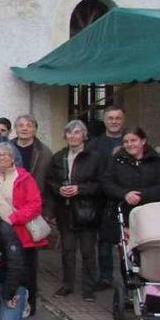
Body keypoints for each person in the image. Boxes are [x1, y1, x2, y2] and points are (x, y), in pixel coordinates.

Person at [0, 142, 48, 315]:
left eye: (6, 154)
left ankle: (28, 303)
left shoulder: (25, 178)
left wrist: (12, 218)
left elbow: (35, 205)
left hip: (21, 231)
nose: (2, 158)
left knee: (25, 269)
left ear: (13, 157)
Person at [47, 120, 103, 301]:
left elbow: (101, 184)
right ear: (65, 136)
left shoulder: (94, 157)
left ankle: (89, 288)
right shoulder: (58, 157)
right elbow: (50, 180)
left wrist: (80, 189)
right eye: (69, 133)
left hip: (87, 210)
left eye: (77, 133)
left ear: (84, 136)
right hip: (65, 210)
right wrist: (58, 189)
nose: (73, 136)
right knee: (67, 250)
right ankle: (67, 284)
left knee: (88, 252)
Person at [102, 127, 160, 224]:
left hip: (151, 214)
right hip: (122, 215)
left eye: (133, 140)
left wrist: (141, 195)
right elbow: (106, 183)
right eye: (126, 142)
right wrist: (125, 194)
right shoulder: (116, 161)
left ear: (143, 141)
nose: (130, 144)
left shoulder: (157, 161)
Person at [89, 106, 126, 289]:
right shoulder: (95, 144)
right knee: (104, 240)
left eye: (118, 118)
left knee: (127, 240)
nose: (114, 121)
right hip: (102, 198)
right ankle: (105, 277)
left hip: (126, 197)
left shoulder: (130, 141)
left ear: (123, 120)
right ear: (104, 121)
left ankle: (129, 275)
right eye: (110, 118)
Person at [12, 114, 52, 207]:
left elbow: (50, 184)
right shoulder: (6, 148)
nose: (24, 129)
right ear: (15, 129)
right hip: (10, 201)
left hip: (35, 202)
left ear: (35, 130)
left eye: (29, 126)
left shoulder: (45, 153)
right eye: (21, 125)